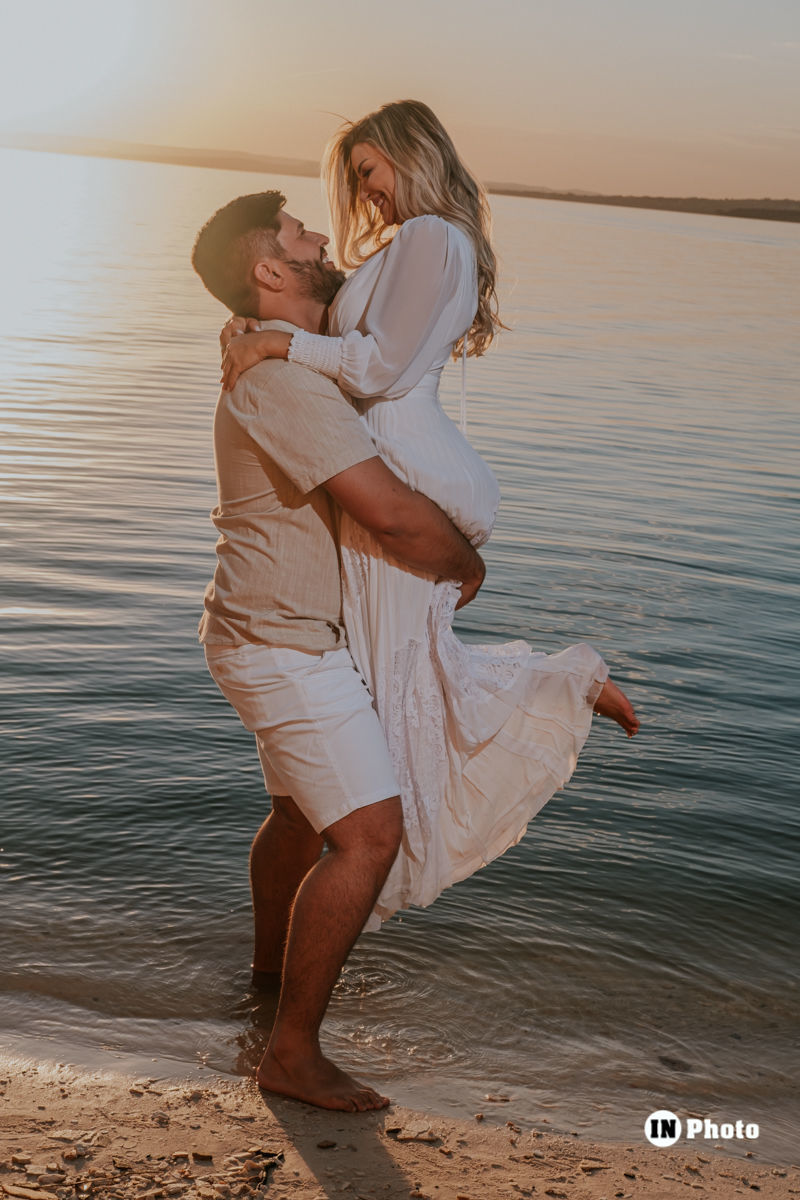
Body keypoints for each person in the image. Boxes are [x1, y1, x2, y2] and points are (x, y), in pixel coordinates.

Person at [219, 100, 639, 934]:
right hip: (409, 463)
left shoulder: (428, 238)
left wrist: (275, 343)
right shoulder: (419, 242)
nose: (363, 197)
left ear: (414, 156)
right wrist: (255, 325)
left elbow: (375, 368)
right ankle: (557, 691)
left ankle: (568, 684)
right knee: (403, 678)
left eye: (370, 172)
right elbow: (356, 348)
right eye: (355, 181)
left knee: (400, 684)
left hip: (411, 471)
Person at [191, 189, 487, 1113]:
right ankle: (292, 1053)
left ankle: (270, 990)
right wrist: (462, 566)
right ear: (270, 271)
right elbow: (388, 512)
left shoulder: (279, 360)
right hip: (280, 641)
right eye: (298, 235)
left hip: (262, 627)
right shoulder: (281, 382)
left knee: (298, 818)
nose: (323, 236)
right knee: (368, 834)